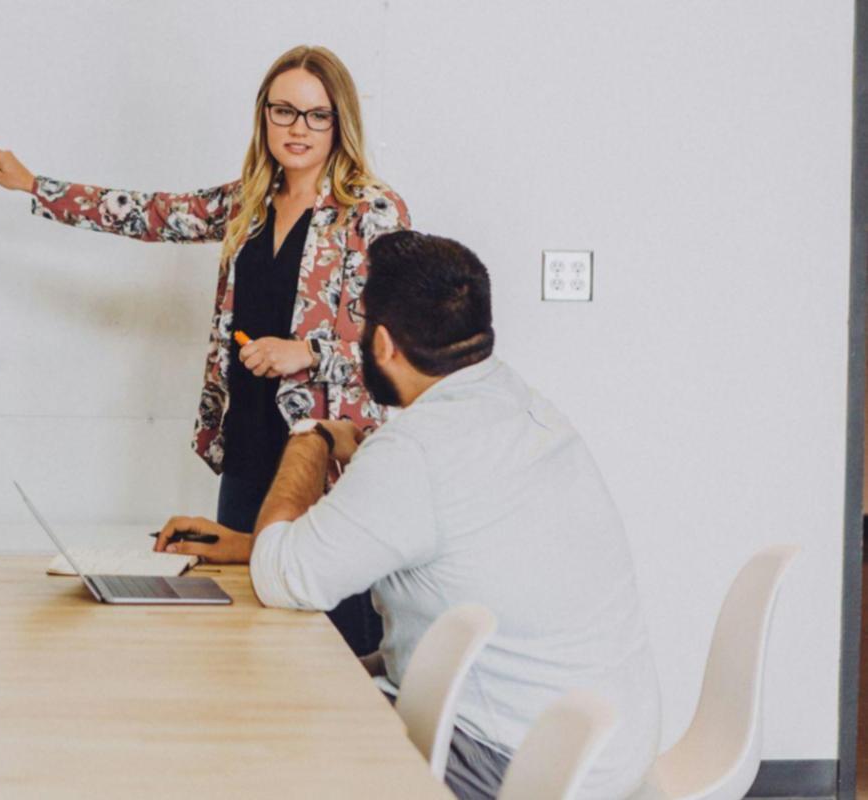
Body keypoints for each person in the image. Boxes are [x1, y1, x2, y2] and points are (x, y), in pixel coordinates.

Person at [0, 45, 409, 653]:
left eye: (317, 115)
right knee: (244, 630)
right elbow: (150, 215)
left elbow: (399, 343)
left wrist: (307, 353)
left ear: (340, 123)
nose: (298, 128)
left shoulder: (371, 212)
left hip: (321, 452)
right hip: (247, 437)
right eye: (284, 111)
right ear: (264, 115)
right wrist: (32, 184)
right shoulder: (248, 202)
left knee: (326, 633)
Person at [199, 230, 658, 800]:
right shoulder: (522, 405)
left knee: (257, 736)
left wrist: (311, 435)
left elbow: (282, 577)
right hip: (610, 748)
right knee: (316, 685)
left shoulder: (415, 451)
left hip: (520, 765)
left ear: (383, 343)